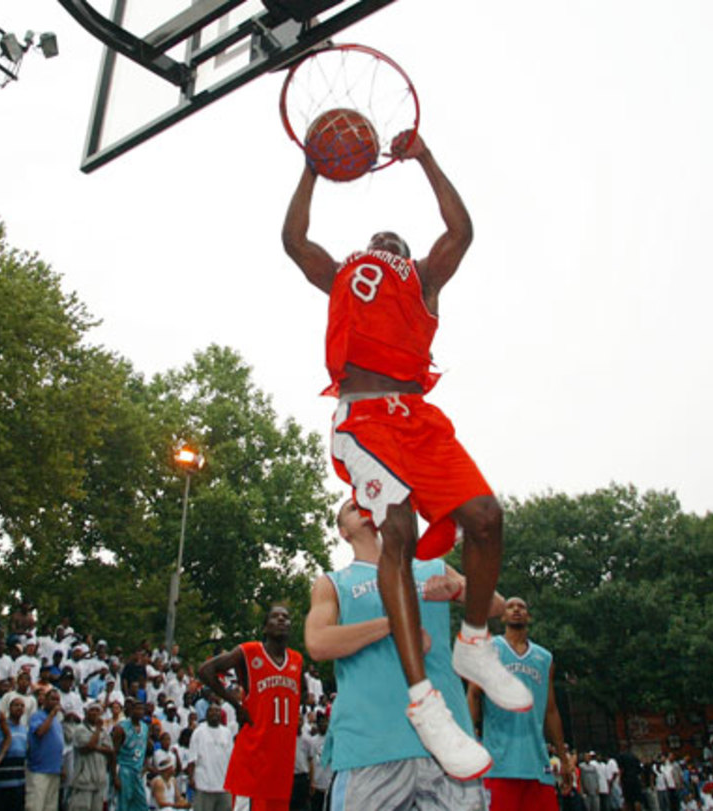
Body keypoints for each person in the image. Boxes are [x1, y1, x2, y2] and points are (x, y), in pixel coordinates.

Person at [282, 128, 531, 778]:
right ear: (364, 253)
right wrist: (312, 169)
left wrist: (424, 158)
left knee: (486, 518)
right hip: (363, 419)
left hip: (415, 418)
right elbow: (294, 243)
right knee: (397, 531)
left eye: (397, 241)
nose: (385, 243)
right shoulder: (344, 276)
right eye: (377, 241)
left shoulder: (421, 279)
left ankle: (475, 641)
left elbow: (462, 231)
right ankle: (425, 699)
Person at [304, 499, 504, 809]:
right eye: (352, 509)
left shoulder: (431, 567)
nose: (363, 508)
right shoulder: (334, 583)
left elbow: (498, 605)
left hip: (446, 744)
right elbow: (318, 642)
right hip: (371, 747)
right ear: (344, 532)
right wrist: (396, 623)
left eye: (367, 503)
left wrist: (456, 589)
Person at [468, 597, 573, 811]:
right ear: (503, 616)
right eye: (510, 607)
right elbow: (473, 695)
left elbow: (551, 711)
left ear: (529, 616)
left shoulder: (544, 658)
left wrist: (563, 758)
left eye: (522, 606)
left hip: (537, 765)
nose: (516, 609)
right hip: (499, 764)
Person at [199, 605, 302, 811]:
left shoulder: (297, 660)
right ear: (264, 628)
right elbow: (205, 670)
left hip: (281, 764)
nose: (282, 620)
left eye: (286, 617)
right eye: (275, 617)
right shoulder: (249, 652)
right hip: (254, 762)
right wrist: (235, 704)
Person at [186, 704, 233, 811]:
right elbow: (192, 758)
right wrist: (191, 777)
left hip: (223, 786)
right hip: (204, 785)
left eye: (217, 711)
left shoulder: (227, 733)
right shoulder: (198, 732)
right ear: (206, 715)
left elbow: (231, 759)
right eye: (211, 711)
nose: (214, 714)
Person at [25, 687, 63, 811]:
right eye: (52, 699)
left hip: (54, 770)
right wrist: (52, 715)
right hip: (39, 770)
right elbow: (40, 732)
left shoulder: (57, 721)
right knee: (36, 806)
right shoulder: (38, 716)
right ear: (44, 701)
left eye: (57, 700)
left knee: (50, 807)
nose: (55, 703)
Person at [0, 697, 28, 811]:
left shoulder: (24, 729)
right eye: (16, 705)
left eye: (22, 706)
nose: (19, 708)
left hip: (19, 782)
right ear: (9, 708)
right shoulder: (1, 727)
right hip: (1, 783)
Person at [111, 698, 149, 811]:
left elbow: (145, 748)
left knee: (141, 805)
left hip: (138, 771)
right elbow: (114, 753)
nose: (140, 711)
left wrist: (145, 766)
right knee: (123, 804)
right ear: (131, 710)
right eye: (137, 708)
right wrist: (115, 777)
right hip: (124, 769)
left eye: (142, 709)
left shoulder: (145, 727)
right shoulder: (121, 728)